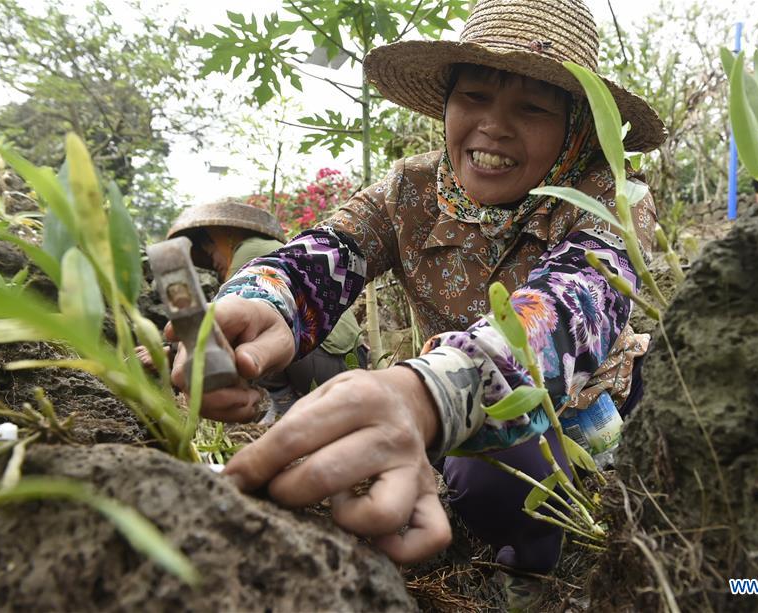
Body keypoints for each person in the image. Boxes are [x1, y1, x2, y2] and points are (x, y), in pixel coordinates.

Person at [170, 0, 665, 595]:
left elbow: (574, 304)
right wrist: (264, 302)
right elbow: (329, 250)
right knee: (468, 472)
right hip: (444, 402)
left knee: (505, 478)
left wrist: (430, 393)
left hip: (586, 400)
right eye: (474, 96)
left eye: (532, 107)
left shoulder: (610, 197)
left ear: (577, 126)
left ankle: (536, 576)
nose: (493, 126)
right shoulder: (410, 189)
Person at [145, 200, 367, 400]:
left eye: (212, 253)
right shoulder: (273, 251)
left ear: (225, 235)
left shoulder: (249, 249)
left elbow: (227, 318)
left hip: (332, 364)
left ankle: (281, 404)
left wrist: (170, 352)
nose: (214, 263)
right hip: (352, 361)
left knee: (248, 336)